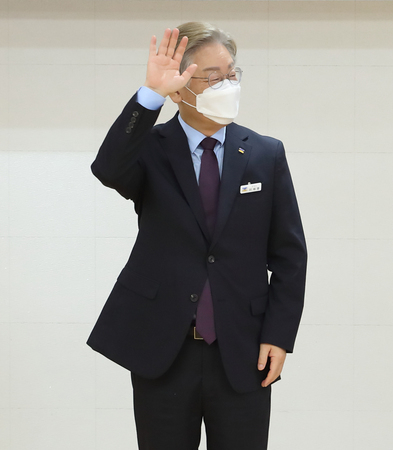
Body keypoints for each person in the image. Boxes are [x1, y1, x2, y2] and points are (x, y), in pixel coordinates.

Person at [88, 22, 307, 450]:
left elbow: (289, 255)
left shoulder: (265, 153)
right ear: (181, 88)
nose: (227, 85)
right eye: (212, 77)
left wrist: (279, 335)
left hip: (243, 346)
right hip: (163, 345)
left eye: (232, 74)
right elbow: (107, 168)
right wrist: (150, 95)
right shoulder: (150, 148)